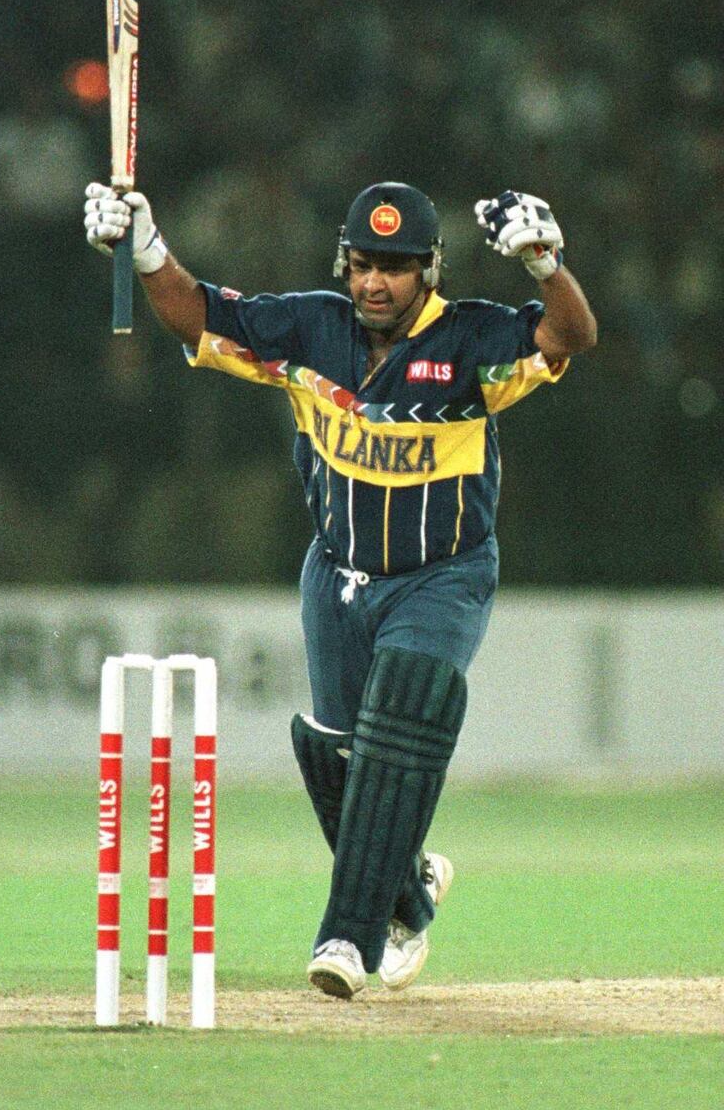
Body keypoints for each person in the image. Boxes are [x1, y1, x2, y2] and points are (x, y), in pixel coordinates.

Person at [84, 179, 597, 999]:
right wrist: (146, 247)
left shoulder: (471, 340)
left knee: (403, 709)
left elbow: (572, 334)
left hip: (443, 574)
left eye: (394, 268)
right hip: (337, 572)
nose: (374, 283)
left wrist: (545, 263)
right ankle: (409, 890)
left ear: (429, 270)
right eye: (362, 265)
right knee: (333, 753)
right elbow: (198, 317)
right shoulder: (308, 327)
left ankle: (346, 941)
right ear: (343, 262)